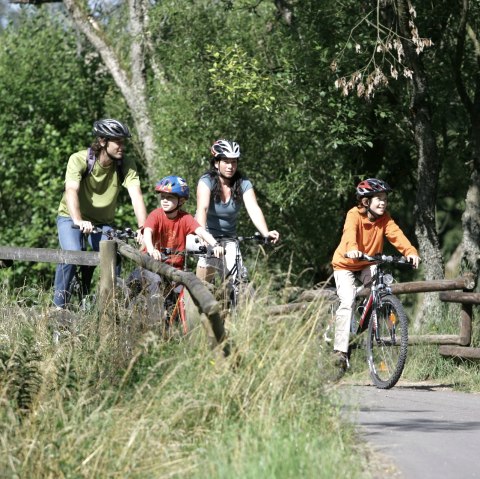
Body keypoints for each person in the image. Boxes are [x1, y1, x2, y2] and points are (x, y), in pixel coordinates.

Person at [53, 118, 147, 309]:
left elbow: (136, 196)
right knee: (73, 254)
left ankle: (109, 307)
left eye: (123, 141)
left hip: (102, 222)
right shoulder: (79, 159)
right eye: (118, 141)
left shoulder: (125, 164)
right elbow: (71, 191)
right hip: (71, 217)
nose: (122, 146)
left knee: (114, 254)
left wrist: (144, 229)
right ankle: (57, 307)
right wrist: (78, 220)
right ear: (103, 141)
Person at [331, 178, 420, 370]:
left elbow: (397, 235)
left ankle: (364, 319)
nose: (383, 203)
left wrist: (410, 252)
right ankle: (340, 351)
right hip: (346, 263)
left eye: (385, 199)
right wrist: (353, 249)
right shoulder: (354, 214)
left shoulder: (384, 218)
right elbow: (349, 234)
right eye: (378, 199)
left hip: (368, 262)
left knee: (379, 288)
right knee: (347, 301)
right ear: (365, 201)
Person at [194, 139, 279, 283]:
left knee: (237, 282)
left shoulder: (243, 183)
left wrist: (266, 232)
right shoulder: (206, 181)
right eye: (226, 161)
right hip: (206, 236)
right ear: (216, 163)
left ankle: (232, 303)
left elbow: (253, 208)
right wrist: (203, 236)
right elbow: (202, 208)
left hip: (229, 239)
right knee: (203, 285)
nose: (230, 166)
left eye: (233, 162)